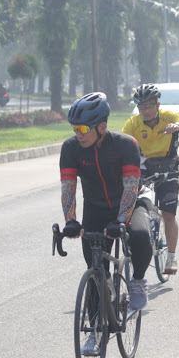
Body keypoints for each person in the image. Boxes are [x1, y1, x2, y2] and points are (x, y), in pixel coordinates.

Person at [60, 92, 152, 316]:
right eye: (75, 128)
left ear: (101, 126)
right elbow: (68, 187)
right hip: (95, 207)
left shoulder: (125, 144)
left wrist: (120, 221)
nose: (78, 134)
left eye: (83, 129)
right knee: (95, 271)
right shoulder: (70, 148)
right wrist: (70, 220)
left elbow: (131, 187)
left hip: (131, 203)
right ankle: (93, 333)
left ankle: (138, 280)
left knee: (140, 237)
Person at [122, 84, 179, 275]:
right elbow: (122, 143)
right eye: (142, 107)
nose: (146, 110)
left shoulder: (168, 116)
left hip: (168, 169)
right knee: (132, 209)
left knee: (168, 215)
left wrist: (176, 126)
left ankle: (171, 256)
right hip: (144, 169)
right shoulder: (133, 123)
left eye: (149, 105)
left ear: (157, 104)